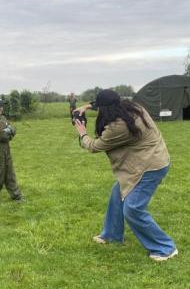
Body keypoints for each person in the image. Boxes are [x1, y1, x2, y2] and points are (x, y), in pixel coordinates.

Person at [74, 89, 178, 262]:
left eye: (100, 109)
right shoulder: (133, 108)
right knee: (118, 195)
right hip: (146, 161)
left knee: (133, 208)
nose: (98, 111)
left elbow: (94, 146)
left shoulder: (119, 126)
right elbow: (110, 101)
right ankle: (112, 235)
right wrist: (87, 106)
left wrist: (82, 131)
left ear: (106, 110)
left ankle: (165, 248)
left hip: (150, 166)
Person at [0, 96, 23, 205]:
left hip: (6, 148)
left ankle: (16, 195)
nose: (0, 108)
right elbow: (2, 136)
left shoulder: (2, 118)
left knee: (10, 173)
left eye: (1, 106)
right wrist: (7, 130)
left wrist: (8, 131)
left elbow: (13, 130)